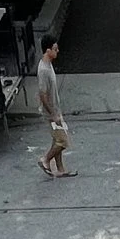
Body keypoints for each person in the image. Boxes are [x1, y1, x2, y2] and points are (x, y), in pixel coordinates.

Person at [36, 38, 73, 178]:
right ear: (48, 50)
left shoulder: (48, 64)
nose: (58, 51)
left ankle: (60, 169)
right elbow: (42, 94)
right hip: (51, 113)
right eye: (55, 49)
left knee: (57, 139)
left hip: (55, 110)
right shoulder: (44, 70)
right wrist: (53, 114)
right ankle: (45, 159)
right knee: (63, 141)